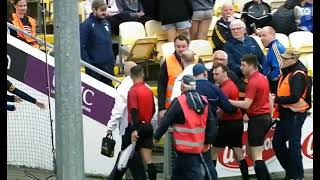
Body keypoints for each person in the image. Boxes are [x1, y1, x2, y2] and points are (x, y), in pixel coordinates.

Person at [154, 75, 217, 180]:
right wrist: (208, 141)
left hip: (185, 148)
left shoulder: (179, 101)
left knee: (194, 175)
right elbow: (211, 122)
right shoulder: (204, 101)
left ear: (183, 86)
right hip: (200, 145)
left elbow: (166, 120)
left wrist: (157, 136)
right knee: (180, 174)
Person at [229, 54, 272, 180]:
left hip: (258, 119)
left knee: (256, 154)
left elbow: (246, 103)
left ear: (252, 66)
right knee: (249, 151)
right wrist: (270, 112)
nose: (240, 68)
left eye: (243, 65)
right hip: (262, 117)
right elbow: (269, 98)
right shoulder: (263, 77)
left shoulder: (253, 81)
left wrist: (228, 101)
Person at [271, 48, 310, 180]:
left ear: (294, 59)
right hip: (286, 113)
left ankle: (297, 176)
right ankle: (292, 172)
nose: (282, 60)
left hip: (294, 114)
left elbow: (294, 97)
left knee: (294, 146)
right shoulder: (289, 72)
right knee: (277, 143)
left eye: (285, 59)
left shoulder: (298, 74)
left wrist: (275, 99)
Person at [107, 62, 148, 180]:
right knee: (131, 156)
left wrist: (111, 126)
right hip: (143, 126)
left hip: (129, 128)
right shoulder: (145, 87)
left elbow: (119, 109)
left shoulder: (124, 86)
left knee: (127, 156)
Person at [211, 64, 249, 180]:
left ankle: (211, 177)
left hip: (227, 124)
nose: (214, 76)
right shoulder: (230, 85)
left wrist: (213, 118)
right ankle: (246, 177)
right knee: (239, 154)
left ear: (225, 73)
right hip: (236, 123)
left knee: (213, 153)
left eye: (217, 74)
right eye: (213, 74)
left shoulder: (225, 88)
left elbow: (221, 110)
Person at [128, 65, 157, 180]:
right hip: (148, 125)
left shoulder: (133, 91)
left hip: (139, 126)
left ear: (131, 76)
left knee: (132, 157)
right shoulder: (148, 91)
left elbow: (133, 110)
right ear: (143, 75)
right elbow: (153, 109)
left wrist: (134, 128)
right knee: (148, 160)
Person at [80, 0, 115, 87]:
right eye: (102, 10)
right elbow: (81, 46)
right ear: (94, 10)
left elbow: (108, 43)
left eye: (105, 10)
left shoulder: (106, 23)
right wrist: (88, 64)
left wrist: (112, 61)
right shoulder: (86, 25)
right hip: (94, 67)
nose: (104, 13)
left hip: (108, 66)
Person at [157, 35, 189, 121]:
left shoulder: (196, 60)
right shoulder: (167, 62)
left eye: (183, 46)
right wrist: (161, 108)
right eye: (178, 46)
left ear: (188, 46)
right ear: (174, 47)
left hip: (191, 105)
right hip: (172, 106)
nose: (181, 49)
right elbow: (161, 86)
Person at [260, 26, 286, 94]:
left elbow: (280, 69)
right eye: (260, 36)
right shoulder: (272, 47)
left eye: (264, 35)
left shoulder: (275, 48)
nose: (261, 38)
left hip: (275, 86)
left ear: (273, 35)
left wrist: (269, 79)